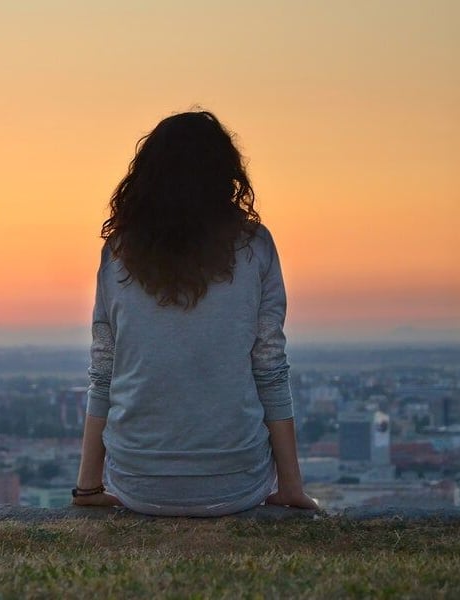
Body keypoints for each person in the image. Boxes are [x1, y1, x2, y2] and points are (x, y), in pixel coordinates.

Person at [72, 111, 318, 516]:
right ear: (226, 174)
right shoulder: (255, 246)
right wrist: (290, 487)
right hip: (237, 480)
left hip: (137, 480)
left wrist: (87, 488)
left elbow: (104, 371)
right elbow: (270, 367)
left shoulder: (119, 253)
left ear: (146, 177)